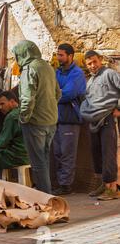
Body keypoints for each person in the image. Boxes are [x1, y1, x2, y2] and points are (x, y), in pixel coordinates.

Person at [13, 40, 61, 194]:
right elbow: (58, 94)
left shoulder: (29, 69)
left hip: (35, 123)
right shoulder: (48, 67)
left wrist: (23, 118)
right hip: (51, 121)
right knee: (45, 160)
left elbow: (27, 99)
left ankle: (44, 198)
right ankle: (47, 194)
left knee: (38, 162)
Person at [80, 51, 120, 201]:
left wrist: (119, 109)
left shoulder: (110, 74)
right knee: (98, 154)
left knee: (109, 154)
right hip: (93, 122)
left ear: (100, 60)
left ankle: (113, 189)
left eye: (95, 62)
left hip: (108, 120)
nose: (92, 66)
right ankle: (104, 185)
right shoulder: (90, 81)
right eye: (89, 64)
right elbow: (88, 99)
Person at [52, 44, 86, 196]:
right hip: (56, 119)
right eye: (58, 55)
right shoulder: (57, 72)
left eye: (61, 55)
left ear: (70, 56)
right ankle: (60, 183)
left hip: (70, 119)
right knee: (57, 153)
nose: (58, 58)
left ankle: (66, 186)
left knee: (67, 154)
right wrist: (57, 93)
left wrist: (55, 94)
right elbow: (51, 90)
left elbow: (68, 93)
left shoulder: (77, 73)